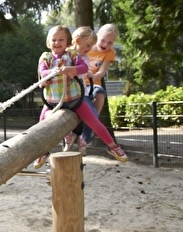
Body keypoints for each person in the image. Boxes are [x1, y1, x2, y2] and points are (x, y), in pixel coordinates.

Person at [34, 25, 128, 169]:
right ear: (48, 41)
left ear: (67, 42)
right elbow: (43, 72)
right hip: (53, 100)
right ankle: (41, 151)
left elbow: (84, 68)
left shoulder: (72, 55)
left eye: (61, 40)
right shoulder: (45, 57)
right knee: (40, 125)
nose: (57, 43)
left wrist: (72, 69)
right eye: (54, 40)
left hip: (73, 99)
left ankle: (113, 146)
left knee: (94, 120)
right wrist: (52, 73)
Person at [62, 26, 99, 155]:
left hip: (80, 92)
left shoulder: (86, 57)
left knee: (92, 113)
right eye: (87, 45)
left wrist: (86, 72)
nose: (89, 49)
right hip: (66, 93)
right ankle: (68, 136)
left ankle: (83, 137)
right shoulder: (66, 54)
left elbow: (81, 72)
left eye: (91, 46)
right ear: (77, 40)